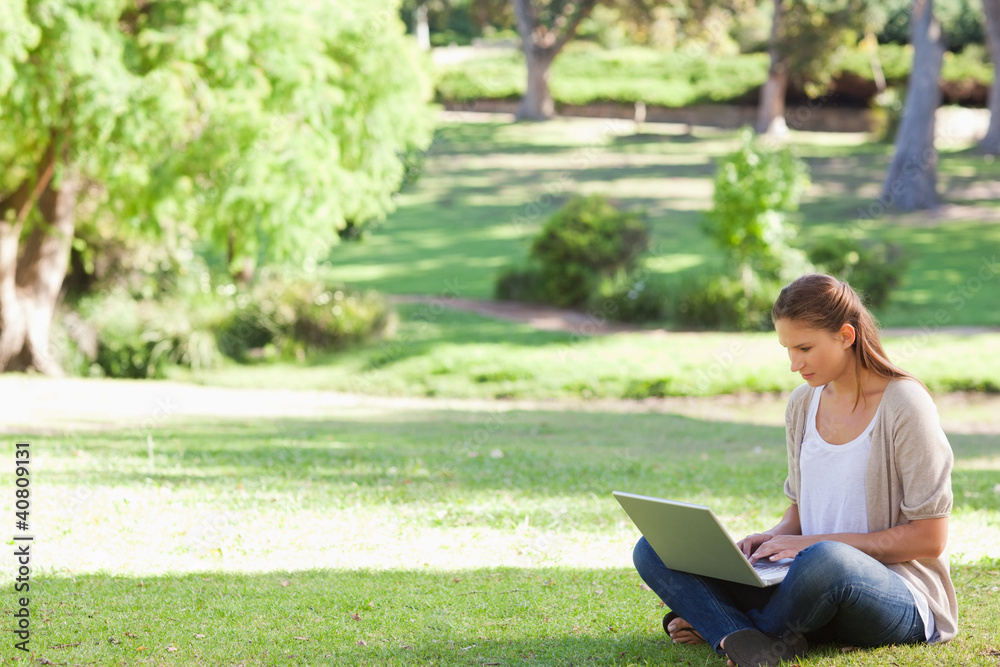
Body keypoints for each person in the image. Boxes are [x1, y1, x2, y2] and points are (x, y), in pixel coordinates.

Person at [632, 273, 958, 667]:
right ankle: (748, 635)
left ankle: (718, 624)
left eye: (804, 347)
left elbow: (929, 538)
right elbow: (801, 513)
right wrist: (768, 540)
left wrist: (812, 545)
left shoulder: (905, 404)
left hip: (892, 595)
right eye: (787, 348)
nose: (794, 364)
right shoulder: (803, 403)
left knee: (827, 561)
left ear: (846, 336)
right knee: (655, 547)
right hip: (804, 584)